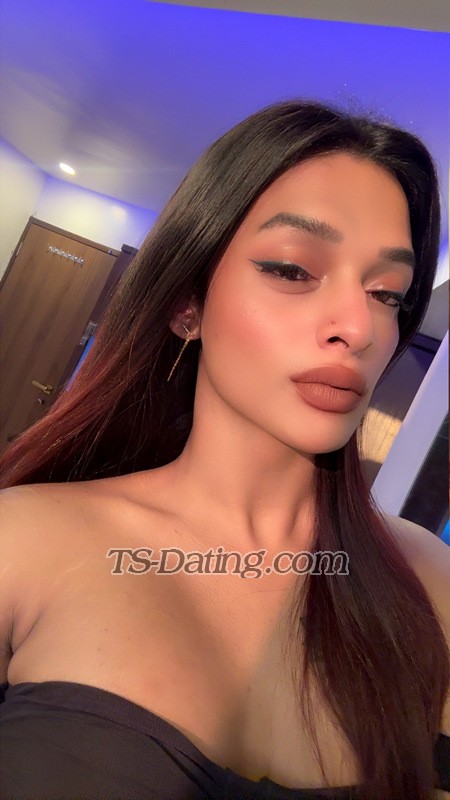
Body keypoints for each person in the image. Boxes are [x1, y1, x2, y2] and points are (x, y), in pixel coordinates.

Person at [0, 100, 449, 800]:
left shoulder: (428, 582)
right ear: (188, 304)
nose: (359, 327)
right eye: (294, 270)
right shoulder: (23, 540)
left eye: (387, 294)